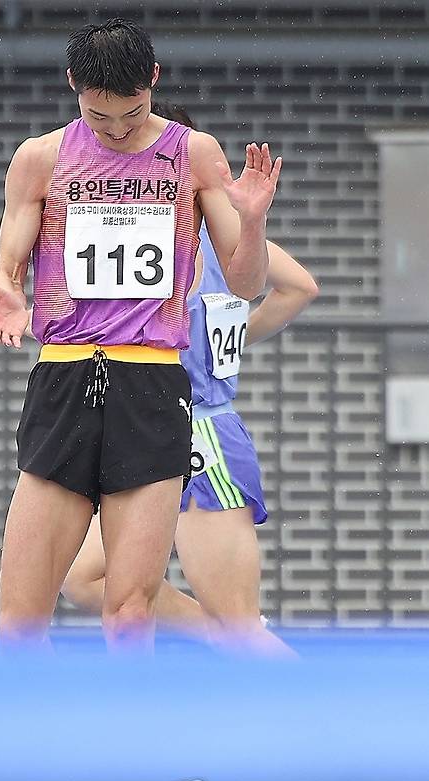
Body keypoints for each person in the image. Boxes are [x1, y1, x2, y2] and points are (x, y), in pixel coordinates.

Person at [0, 20, 282, 649]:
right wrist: (8, 289)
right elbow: (9, 259)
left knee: (129, 611)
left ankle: (132, 715)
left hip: (151, 383)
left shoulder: (193, 153)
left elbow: (246, 283)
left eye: (132, 114)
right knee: (20, 619)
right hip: (66, 377)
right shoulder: (41, 158)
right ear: (73, 85)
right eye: (99, 117)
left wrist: (253, 222)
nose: (117, 131)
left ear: (154, 81)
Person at [61, 103, 318, 655]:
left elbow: (300, 286)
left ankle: (301, 692)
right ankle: (219, 643)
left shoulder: (211, 238)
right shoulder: (142, 231)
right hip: (145, 427)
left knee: (240, 626)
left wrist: (234, 336)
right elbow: (298, 287)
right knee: (86, 580)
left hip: (203, 434)